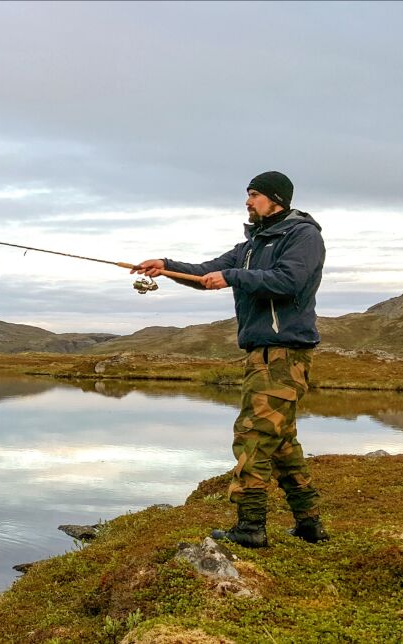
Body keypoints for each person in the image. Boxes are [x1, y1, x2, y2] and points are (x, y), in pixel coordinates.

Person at [132, 171, 329, 548]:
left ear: (276, 199)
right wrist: (164, 265)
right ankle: (309, 523)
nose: (247, 201)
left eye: (254, 195)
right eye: (247, 195)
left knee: (252, 436)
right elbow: (207, 272)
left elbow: (288, 282)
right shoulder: (252, 244)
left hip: (284, 355)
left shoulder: (303, 236)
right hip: (263, 355)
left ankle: (250, 527)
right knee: (282, 442)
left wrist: (234, 276)